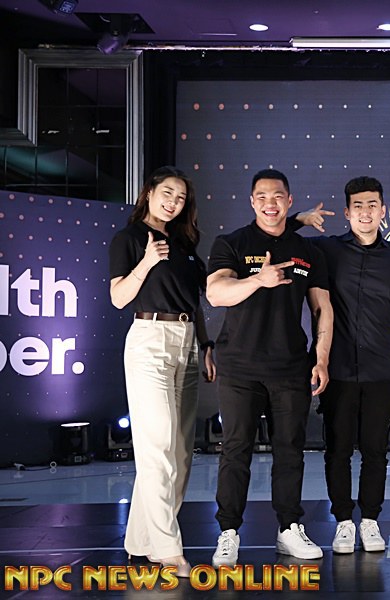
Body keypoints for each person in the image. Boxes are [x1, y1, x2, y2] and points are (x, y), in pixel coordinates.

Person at [206, 168, 333, 565]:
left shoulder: (308, 251)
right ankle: (228, 531)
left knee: (290, 450)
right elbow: (216, 293)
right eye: (261, 197)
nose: (270, 203)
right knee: (236, 449)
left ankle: (289, 528)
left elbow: (322, 308)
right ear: (252, 202)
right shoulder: (232, 243)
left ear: (289, 201)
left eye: (277, 196)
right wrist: (257, 281)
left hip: (291, 366)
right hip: (239, 366)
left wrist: (321, 358)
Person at [290, 176, 390, 554]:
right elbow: (275, 236)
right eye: (358, 206)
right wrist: (299, 219)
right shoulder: (325, 251)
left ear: (383, 211)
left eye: (372, 205)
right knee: (338, 450)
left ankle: (370, 521)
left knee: (376, 450)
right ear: (347, 213)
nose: (366, 213)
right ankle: (344, 521)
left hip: (382, 370)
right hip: (337, 369)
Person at [109, 166, 216, 577]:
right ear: (150, 192)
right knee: (158, 452)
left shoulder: (185, 243)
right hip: (149, 341)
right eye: (167, 193)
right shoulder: (130, 238)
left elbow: (196, 301)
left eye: (181, 197)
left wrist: (206, 345)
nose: (173, 202)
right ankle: (169, 550)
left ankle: (141, 541)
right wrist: (147, 262)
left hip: (187, 345)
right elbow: (119, 298)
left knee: (181, 455)